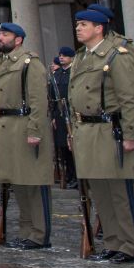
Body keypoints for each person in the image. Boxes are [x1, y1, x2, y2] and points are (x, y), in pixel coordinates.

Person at [68, 7, 134, 263]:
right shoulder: (82, 56)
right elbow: (73, 98)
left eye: (83, 24)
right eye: (78, 24)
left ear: (99, 27)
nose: (78, 28)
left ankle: (128, 244)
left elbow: (131, 97)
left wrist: (132, 134)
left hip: (109, 130)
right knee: (100, 192)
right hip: (87, 131)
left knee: (119, 192)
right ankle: (112, 241)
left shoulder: (117, 54)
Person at [0, 23, 54, 249]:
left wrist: (35, 130)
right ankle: (26, 231)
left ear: (18, 40)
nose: (0, 37)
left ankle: (39, 234)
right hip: (5, 128)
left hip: (23, 125)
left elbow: (38, 101)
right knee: (18, 183)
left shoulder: (30, 63)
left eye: (5, 34)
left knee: (33, 183)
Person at [49, 46, 77, 188]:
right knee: (63, 148)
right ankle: (69, 175)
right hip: (60, 115)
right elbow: (53, 97)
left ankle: (78, 177)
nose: (61, 58)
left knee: (74, 147)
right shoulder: (57, 74)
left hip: (72, 114)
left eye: (65, 56)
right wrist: (53, 115)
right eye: (60, 55)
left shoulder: (75, 72)